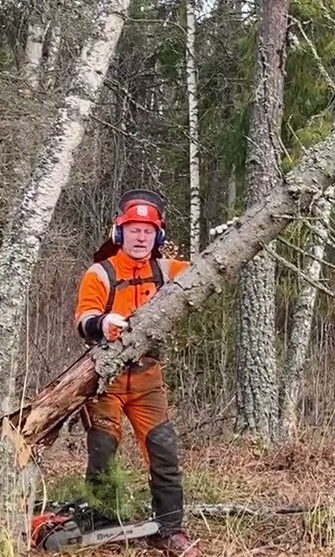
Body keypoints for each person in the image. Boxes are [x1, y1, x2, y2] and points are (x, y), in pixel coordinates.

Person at [73, 189, 200, 556]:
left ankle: (170, 528)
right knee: (102, 450)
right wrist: (102, 323)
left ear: (157, 236)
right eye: (134, 230)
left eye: (148, 231)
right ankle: (100, 523)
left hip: (147, 379)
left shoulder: (167, 270)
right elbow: (83, 319)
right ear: (120, 232)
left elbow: (208, 271)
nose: (141, 237)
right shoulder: (101, 272)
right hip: (105, 381)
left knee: (163, 450)